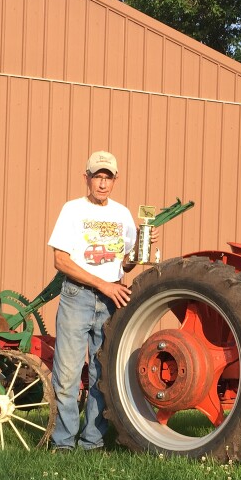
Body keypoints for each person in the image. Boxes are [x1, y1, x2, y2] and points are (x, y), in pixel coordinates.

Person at [47, 150, 156, 453]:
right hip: (77, 297)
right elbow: (60, 261)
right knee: (67, 374)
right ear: (87, 178)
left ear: (115, 180)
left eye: (108, 177)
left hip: (111, 301)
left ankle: (92, 442)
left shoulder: (122, 214)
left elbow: (126, 264)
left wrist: (142, 247)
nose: (103, 183)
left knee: (102, 374)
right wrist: (103, 285)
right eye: (97, 177)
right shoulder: (72, 210)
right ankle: (63, 443)